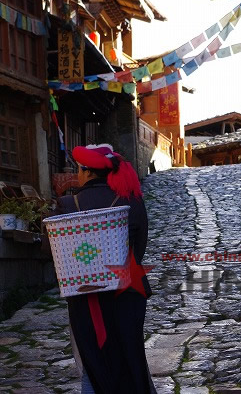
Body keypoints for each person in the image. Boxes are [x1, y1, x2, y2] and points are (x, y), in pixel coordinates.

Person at [52, 143, 157, 394]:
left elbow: (52, 250)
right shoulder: (132, 200)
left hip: (86, 295)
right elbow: (138, 249)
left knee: (94, 360)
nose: (77, 174)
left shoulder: (67, 204)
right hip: (128, 293)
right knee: (130, 356)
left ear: (87, 172)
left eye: (78, 169)